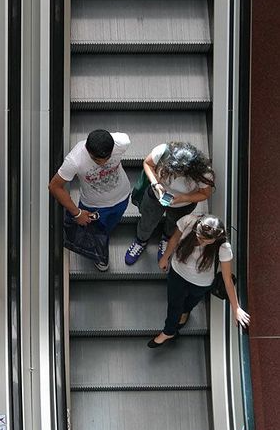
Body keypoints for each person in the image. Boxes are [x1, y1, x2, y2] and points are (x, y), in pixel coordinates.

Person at [147, 214, 250, 348]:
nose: (200, 241)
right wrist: (165, 257)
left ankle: (185, 312)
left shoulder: (223, 248)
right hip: (178, 273)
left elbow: (227, 279)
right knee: (174, 304)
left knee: (191, 302)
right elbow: (174, 239)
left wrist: (236, 308)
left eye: (207, 240)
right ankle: (169, 331)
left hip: (201, 283)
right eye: (199, 236)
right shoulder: (188, 221)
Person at [48, 128, 131, 271]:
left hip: (122, 197)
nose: (103, 163)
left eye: (107, 158)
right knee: (95, 234)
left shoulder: (121, 142)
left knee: (108, 226)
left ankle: (104, 235)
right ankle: (99, 254)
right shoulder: (75, 160)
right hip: (94, 206)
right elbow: (54, 186)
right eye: (98, 160)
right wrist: (77, 213)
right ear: (88, 150)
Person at [125, 141, 215, 265]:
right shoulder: (163, 152)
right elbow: (147, 163)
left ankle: (166, 239)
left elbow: (205, 194)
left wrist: (183, 198)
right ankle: (141, 241)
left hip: (183, 205)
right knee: (147, 220)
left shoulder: (203, 173)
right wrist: (156, 184)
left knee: (173, 225)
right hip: (156, 195)